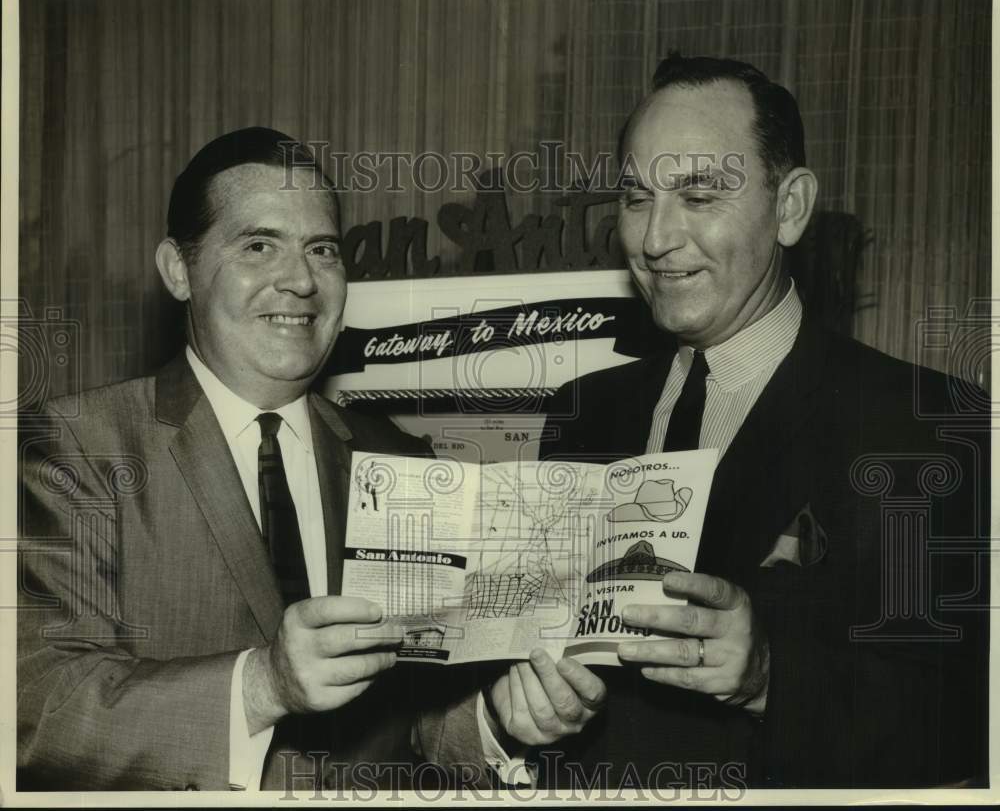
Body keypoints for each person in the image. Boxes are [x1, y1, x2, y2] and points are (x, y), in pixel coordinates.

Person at [420, 54, 989, 789]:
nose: (655, 239)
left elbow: (963, 723)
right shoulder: (582, 408)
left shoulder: (927, 422)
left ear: (790, 208)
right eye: (636, 196)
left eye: (699, 193)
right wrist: (509, 718)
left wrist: (768, 678)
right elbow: (506, 685)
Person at [16, 127, 437, 791]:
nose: (299, 280)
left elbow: (423, 718)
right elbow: (36, 707)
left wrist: (505, 714)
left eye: (321, 249)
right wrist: (263, 684)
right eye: (259, 245)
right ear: (179, 270)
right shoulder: (75, 445)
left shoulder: (400, 457)